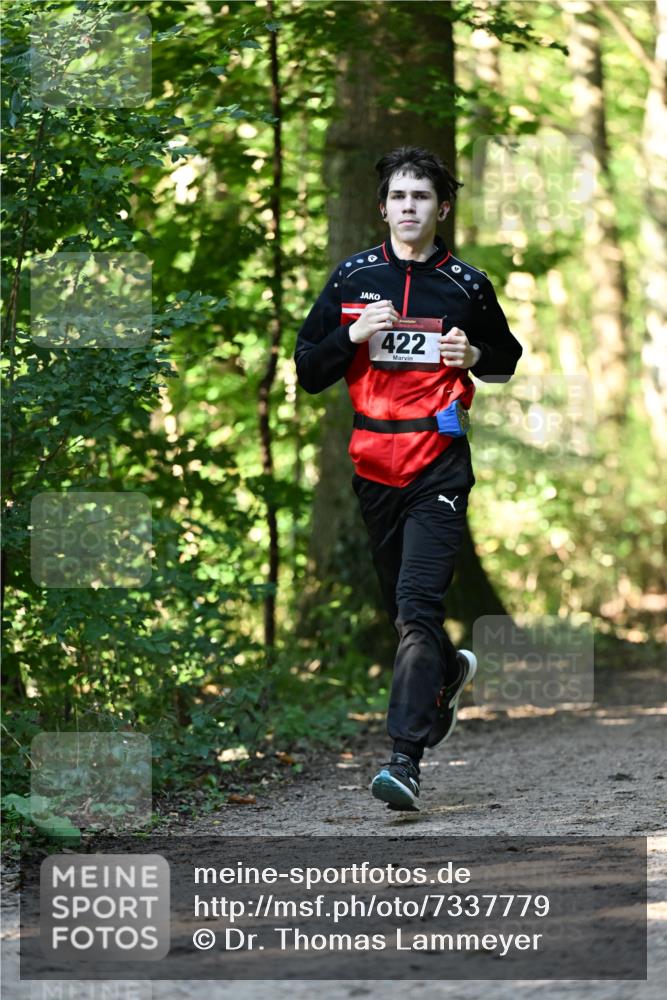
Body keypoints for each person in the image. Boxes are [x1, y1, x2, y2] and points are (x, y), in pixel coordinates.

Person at [294, 146, 522, 811]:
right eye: (398, 197)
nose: (408, 207)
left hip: (439, 465)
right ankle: (446, 673)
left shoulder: (466, 284)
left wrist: (474, 353)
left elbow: (505, 360)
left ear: (440, 207)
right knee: (406, 611)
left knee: (419, 607)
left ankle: (403, 759)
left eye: (421, 197)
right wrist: (353, 336)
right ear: (383, 207)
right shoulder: (350, 279)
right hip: (372, 468)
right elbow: (309, 371)